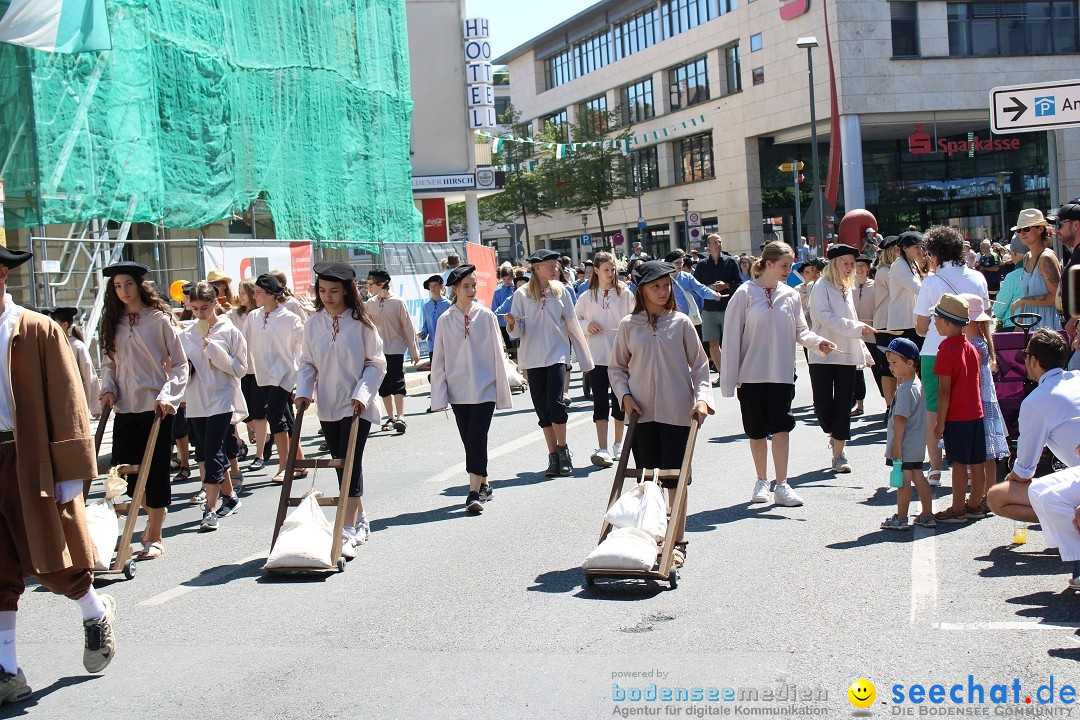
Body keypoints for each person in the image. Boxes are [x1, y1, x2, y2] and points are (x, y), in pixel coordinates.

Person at [0, 248, 118, 704]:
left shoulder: (35, 329)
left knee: (54, 559)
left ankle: (94, 609)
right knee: (1, 567)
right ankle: (7, 669)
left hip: (29, 457)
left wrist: (71, 472)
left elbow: (69, 402)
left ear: (3, 273)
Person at [609, 260, 714, 567]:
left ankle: (677, 541)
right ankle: (653, 538)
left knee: (676, 479)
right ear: (641, 290)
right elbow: (617, 368)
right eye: (655, 285)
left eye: (666, 284)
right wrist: (625, 397)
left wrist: (702, 399)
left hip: (678, 412)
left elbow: (700, 366)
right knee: (648, 479)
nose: (662, 290)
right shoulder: (629, 325)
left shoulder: (680, 322)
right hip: (641, 415)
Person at [720, 242, 833, 507]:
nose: (789, 270)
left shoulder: (791, 295)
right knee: (756, 430)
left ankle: (782, 485)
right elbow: (732, 337)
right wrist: (730, 378)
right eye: (784, 265)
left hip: (782, 373)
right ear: (768, 264)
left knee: (782, 427)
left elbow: (800, 330)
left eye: (791, 264)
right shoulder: (744, 293)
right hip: (750, 375)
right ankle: (762, 480)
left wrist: (818, 342)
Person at [99, 261, 187, 560]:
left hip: (156, 407)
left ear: (140, 285)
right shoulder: (113, 322)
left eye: (128, 284)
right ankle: (149, 518)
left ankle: (156, 533)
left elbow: (179, 364)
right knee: (125, 471)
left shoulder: (159, 320)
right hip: (125, 406)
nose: (123, 291)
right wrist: (108, 388)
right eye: (117, 286)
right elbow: (110, 364)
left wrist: (167, 396)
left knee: (157, 470)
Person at [296, 262, 386, 547]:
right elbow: (307, 362)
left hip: (357, 406)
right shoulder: (312, 325)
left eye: (334, 291)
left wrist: (362, 393)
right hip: (328, 405)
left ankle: (346, 527)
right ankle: (359, 520)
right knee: (340, 465)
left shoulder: (362, 325)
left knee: (350, 464)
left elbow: (376, 363)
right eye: (322, 290)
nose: (327, 296)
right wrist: (303, 391)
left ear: (347, 291)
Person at [986, 330, 1080, 585]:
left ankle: (1076, 553)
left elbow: (1026, 469)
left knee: (997, 497)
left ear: (1034, 361)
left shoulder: (1037, 400)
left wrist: (1011, 477)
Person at [430, 264, 512, 514]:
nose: (471, 290)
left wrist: (502, 388)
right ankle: (484, 483)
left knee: (477, 436)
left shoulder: (486, 315)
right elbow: (440, 358)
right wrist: (439, 392)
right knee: (469, 439)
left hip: (484, 388)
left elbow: (498, 353)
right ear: (454, 289)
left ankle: (473, 493)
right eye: (466, 286)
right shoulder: (445, 319)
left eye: (474, 285)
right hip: (458, 390)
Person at [914, 225, 990, 487]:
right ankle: (968, 467)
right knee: (969, 409)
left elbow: (922, 326)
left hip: (935, 352)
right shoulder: (978, 278)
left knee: (933, 410)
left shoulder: (931, 282)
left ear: (935, 254)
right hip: (971, 350)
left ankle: (935, 470)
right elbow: (983, 319)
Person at [506, 249, 594, 476]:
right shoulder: (522, 294)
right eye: (550, 265)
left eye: (556, 265)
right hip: (533, 358)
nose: (555, 269)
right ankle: (553, 455)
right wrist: (512, 323)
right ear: (536, 268)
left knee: (555, 404)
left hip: (557, 354)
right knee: (542, 409)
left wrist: (585, 359)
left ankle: (563, 451)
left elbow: (572, 323)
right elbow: (516, 333)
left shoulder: (561, 291)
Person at [178, 282, 247, 531]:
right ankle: (230, 497)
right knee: (205, 451)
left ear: (216, 303)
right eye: (194, 308)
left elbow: (240, 369)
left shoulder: (230, 332)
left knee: (213, 451)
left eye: (204, 307)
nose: (199, 313)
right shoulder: (186, 335)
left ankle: (210, 508)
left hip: (222, 398)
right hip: (196, 400)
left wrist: (215, 350)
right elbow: (180, 368)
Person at [808, 245, 876, 473]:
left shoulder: (848, 288)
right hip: (823, 354)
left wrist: (863, 352)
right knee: (823, 406)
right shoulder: (820, 286)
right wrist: (856, 328)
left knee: (844, 405)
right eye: (845, 263)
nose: (849, 268)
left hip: (847, 356)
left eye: (852, 264)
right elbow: (825, 318)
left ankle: (839, 452)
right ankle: (833, 433)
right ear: (835, 264)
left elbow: (853, 317)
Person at [929, 294, 987, 524]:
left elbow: (944, 391)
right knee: (977, 461)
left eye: (937, 318)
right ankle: (974, 504)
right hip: (976, 413)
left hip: (957, 416)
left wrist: (940, 422)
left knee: (959, 463)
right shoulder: (971, 348)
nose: (934, 322)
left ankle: (957, 508)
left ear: (948, 322)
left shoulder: (945, 352)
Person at [243, 273, 306, 483]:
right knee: (287, 418)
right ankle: (301, 462)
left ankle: (284, 466)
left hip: (284, 375)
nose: (255, 295)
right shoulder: (253, 317)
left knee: (275, 417)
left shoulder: (290, 318)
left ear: (271, 294)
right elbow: (244, 343)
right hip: (263, 375)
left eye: (259, 292)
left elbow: (306, 343)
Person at [575, 251, 634, 467]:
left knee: (620, 399)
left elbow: (634, 317)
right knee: (599, 400)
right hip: (597, 355)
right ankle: (602, 446)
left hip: (620, 355)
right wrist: (586, 326)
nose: (610, 274)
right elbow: (575, 320)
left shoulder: (625, 293)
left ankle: (619, 442)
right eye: (606, 270)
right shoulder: (586, 296)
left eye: (612, 270)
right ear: (596, 271)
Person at [961, 293, 1009, 515]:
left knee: (978, 455)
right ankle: (987, 494)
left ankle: (978, 497)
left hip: (976, 402)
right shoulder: (982, 342)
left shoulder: (972, 344)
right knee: (988, 454)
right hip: (986, 402)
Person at [880, 338, 934, 530]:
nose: (891, 366)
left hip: (904, 445)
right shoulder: (917, 385)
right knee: (919, 478)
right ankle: (927, 515)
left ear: (910, 363)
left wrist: (896, 448)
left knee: (904, 482)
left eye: (895, 362)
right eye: (889, 362)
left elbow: (900, 419)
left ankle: (901, 517)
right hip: (916, 444)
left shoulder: (904, 390)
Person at [365, 269, 420, 434]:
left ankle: (401, 417)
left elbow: (408, 327)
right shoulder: (370, 303)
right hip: (377, 351)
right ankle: (391, 417)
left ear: (381, 284)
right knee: (383, 384)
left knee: (397, 381)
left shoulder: (398, 302)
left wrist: (414, 350)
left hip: (396, 349)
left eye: (370, 284)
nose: (368, 287)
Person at [693, 233, 743, 381]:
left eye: (720, 241)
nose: (718, 244)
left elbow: (740, 284)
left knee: (731, 342)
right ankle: (723, 375)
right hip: (709, 309)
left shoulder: (731, 262)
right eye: (715, 242)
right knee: (713, 343)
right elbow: (697, 286)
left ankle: (735, 371)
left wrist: (726, 285)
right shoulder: (702, 265)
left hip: (728, 307)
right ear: (708, 246)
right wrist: (708, 288)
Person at [1012, 208, 1062, 331]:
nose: (1022, 233)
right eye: (1019, 230)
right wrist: (1017, 332)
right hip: (1030, 326)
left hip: (1048, 325)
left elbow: (1057, 298)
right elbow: (1027, 298)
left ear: (1040, 229)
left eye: (1027, 228)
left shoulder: (1046, 258)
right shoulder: (1027, 257)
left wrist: (1023, 300)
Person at [50, 307, 100, 418]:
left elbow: (89, 375)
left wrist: (96, 406)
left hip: (75, 402)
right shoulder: (50, 345)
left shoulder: (77, 346)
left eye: (54, 322)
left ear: (64, 325)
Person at [888, 231, 925, 346]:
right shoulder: (900, 265)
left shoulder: (913, 263)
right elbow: (918, 288)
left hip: (911, 321)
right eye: (916, 247)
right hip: (902, 323)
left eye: (921, 246)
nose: (920, 250)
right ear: (905, 248)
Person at [852, 255, 876, 416]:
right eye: (856, 265)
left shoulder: (875, 286)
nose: (859, 269)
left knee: (879, 368)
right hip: (854, 332)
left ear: (868, 268)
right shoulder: (848, 287)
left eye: (862, 266)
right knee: (856, 370)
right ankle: (859, 405)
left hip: (872, 330)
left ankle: (888, 402)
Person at [993, 237, 1028, 332]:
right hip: (1039, 325)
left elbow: (998, 311)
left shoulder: (1012, 277)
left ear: (1015, 254)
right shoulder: (1039, 272)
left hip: (1013, 327)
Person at [417, 274, 451, 354]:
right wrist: (423, 333)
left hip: (447, 346)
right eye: (430, 286)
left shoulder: (448, 304)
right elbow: (425, 325)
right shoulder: (426, 306)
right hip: (433, 346)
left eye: (435, 285)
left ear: (441, 286)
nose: (432, 288)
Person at [491, 263, 517, 348]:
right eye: (504, 279)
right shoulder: (498, 291)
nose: (507, 281)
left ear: (513, 278)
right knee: (508, 345)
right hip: (502, 323)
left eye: (509, 279)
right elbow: (494, 308)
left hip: (516, 320)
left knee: (517, 344)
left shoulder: (516, 289)